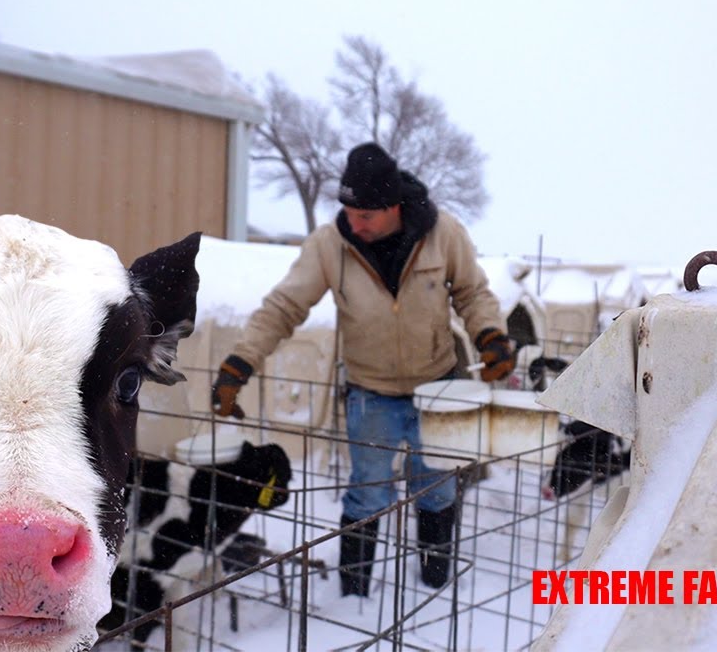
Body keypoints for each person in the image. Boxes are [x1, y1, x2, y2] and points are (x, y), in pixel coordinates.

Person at [210, 142, 515, 597]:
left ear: (394, 206)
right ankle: (354, 595)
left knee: (436, 487)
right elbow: (283, 307)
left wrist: (491, 335)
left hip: (439, 387)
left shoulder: (444, 233)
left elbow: (472, 294)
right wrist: (240, 363)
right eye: (349, 211)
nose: (354, 223)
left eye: (366, 215)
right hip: (371, 392)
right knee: (368, 493)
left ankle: (435, 585)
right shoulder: (329, 245)